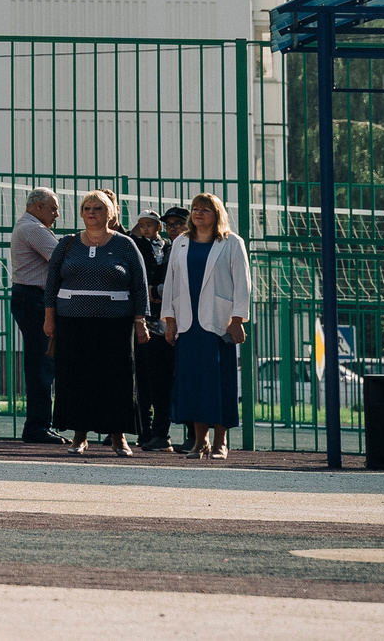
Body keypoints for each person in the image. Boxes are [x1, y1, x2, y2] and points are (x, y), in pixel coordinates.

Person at [44, 188, 149, 456]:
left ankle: (119, 437)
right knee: (77, 378)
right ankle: (80, 436)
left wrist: (140, 321)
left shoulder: (125, 244)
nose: (92, 212)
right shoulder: (67, 243)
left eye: (98, 208)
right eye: (87, 208)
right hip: (73, 323)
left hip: (115, 324)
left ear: (110, 213)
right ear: (81, 214)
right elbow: (51, 283)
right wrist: (49, 318)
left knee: (116, 379)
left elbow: (139, 284)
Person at [161, 190, 250, 460]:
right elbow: (172, 283)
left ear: (217, 215)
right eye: (196, 208)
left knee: (220, 383)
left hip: (219, 324)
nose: (199, 213)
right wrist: (170, 319)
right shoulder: (181, 243)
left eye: (206, 209)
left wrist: (237, 319)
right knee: (193, 384)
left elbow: (243, 283)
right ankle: (201, 442)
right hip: (188, 325)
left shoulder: (232, 242)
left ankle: (221, 442)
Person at [9, 189, 61, 443]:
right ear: (39, 206)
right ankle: (38, 426)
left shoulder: (27, 226)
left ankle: (41, 424)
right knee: (42, 364)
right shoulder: (34, 229)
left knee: (43, 362)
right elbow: (61, 257)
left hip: (29, 298)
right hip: (34, 300)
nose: (57, 214)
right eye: (53, 208)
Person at [129, 211, 176, 453]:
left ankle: (190, 433)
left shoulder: (171, 247)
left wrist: (156, 291)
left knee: (171, 378)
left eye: (151, 225)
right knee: (147, 378)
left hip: (174, 318)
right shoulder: (136, 245)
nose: (146, 229)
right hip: (147, 317)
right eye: (142, 226)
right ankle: (147, 430)